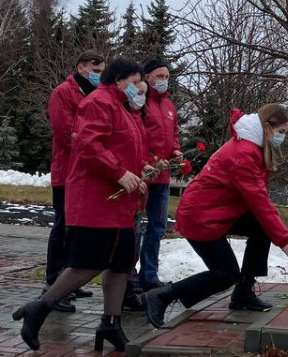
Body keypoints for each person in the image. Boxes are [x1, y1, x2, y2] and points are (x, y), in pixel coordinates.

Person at [14, 57, 150, 353]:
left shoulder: (124, 108)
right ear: (119, 80)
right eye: (134, 81)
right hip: (96, 200)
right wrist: (118, 172)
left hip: (120, 203)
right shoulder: (98, 103)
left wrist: (140, 172)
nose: (139, 87)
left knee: (121, 264)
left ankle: (111, 323)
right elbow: (88, 146)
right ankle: (40, 308)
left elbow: (127, 148)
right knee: (88, 264)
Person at [144, 104, 288, 328]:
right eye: (281, 132)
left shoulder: (252, 145)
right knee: (225, 274)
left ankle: (243, 292)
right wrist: (283, 240)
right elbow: (258, 200)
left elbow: (257, 199)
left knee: (261, 227)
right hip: (200, 216)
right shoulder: (244, 153)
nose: (282, 138)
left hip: (216, 210)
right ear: (267, 127)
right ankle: (162, 295)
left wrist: (276, 233)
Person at [43, 50, 104, 311]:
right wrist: (92, 147)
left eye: (101, 72)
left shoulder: (93, 94)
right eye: (96, 71)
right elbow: (65, 133)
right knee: (63, 226)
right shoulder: (63, 93)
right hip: (67, 171)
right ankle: (52, 284)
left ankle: (68, 280)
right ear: (81, 68)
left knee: (76, 229)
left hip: (84, 173)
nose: (99, 76)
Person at [136, 58, 180, 291]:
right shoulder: (141, 103)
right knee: (135, 225)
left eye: (167, 77)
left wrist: (176, 151)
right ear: (148, 77)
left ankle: (149, 275)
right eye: (160, 76)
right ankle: (129, 276)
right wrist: (150, 159)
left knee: (158, 226)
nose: (164, 80)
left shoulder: (170, 107)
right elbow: (136, 136)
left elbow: (174, 135)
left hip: (162, 177)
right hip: (143, 174)